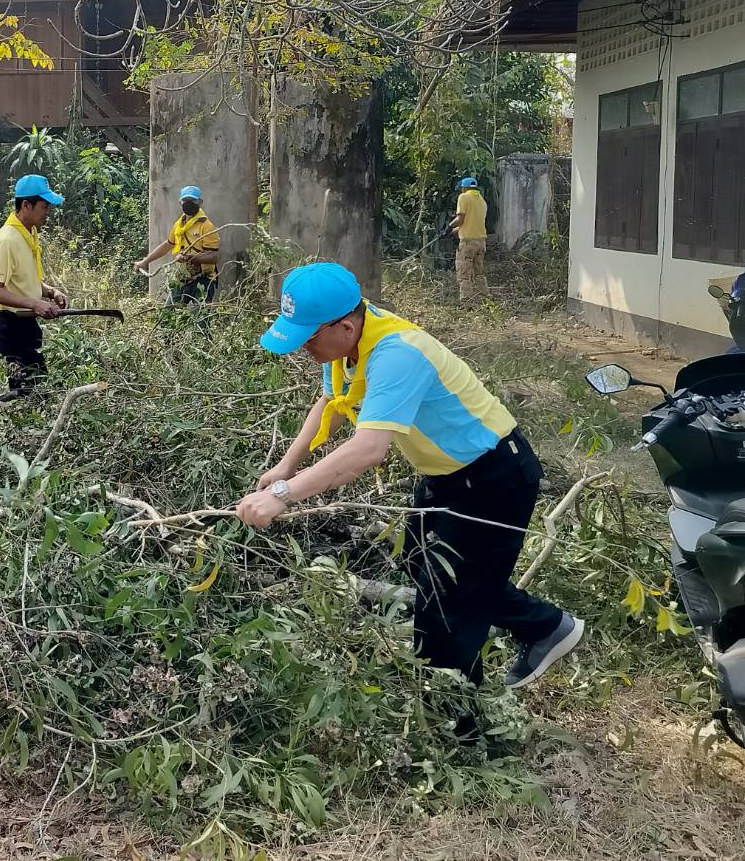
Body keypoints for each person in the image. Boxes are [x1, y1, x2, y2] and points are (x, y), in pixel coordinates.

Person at [239, 262, 584, 740]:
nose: (304, 349)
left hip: (492, 479)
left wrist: (283, 496)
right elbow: (330, 404)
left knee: (445, 615)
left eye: (308, 338)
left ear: (344, 325)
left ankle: (458, 736)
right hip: (445, 479)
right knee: (424, 571)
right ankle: (546, 626)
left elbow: (367, 449)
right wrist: (286, 465)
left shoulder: (397, 353)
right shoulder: (349, 342)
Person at [0, 174, 69, 396]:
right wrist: (34, 303)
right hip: (11, 326)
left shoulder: (28, 234)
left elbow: (25, 280)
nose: (47, 213)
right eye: (44, 206)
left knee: (35, 387)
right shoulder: (7, 240)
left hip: (27, 324)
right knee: (27, 391)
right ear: (26, 205)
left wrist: (50, 292)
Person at [133, 185, 222, 305]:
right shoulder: (179, 225)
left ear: (200, 202)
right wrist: (145, 261)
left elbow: (214, 257)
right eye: (185, 200)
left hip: (204, 280)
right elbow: (167, 245)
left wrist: (189, 258)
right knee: (168, 315)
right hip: (183, 279)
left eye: (193, 200)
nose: (188, 203)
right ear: (180, 202)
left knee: (201, 319)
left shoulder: (206, 226)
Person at [449, 176, 489, 303]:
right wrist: (455, 231)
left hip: (468, 242)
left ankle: (467, 302)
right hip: (481, 241)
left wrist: (449, 226)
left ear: (465, 188)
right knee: (479, 273)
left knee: (464, 272)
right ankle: (484, 299)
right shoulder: (482, 201)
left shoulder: (464, 197)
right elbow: (471, 222)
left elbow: (460, 219)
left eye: (462, 188)